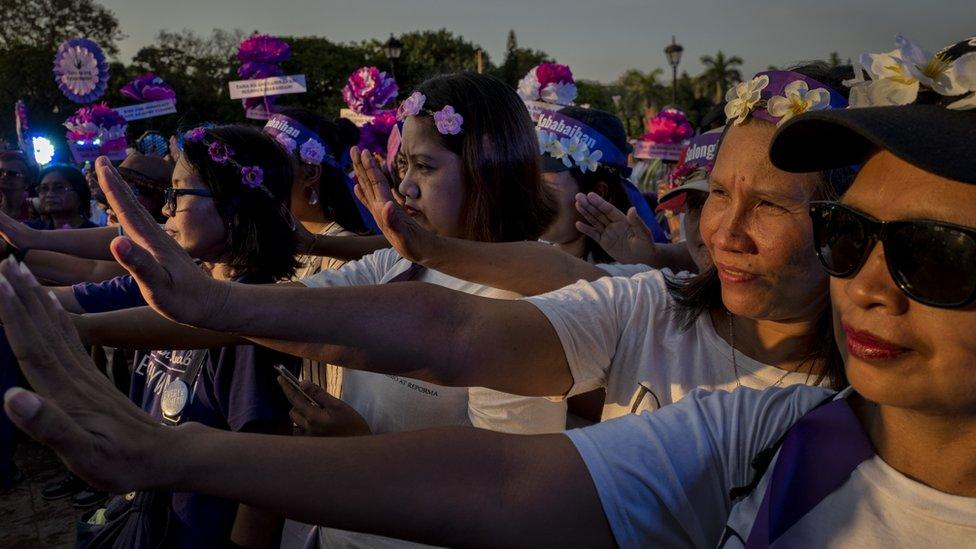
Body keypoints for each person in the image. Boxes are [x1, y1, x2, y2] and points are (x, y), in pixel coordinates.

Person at [3, 37, 975, 547]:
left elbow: (497, 452)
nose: (875, 282)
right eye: (854, 237)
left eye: (935, 255)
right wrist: (204, 337)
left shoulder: (704, 341)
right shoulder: (780, 419)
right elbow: (447, 342)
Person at [99, 64, 856, 423]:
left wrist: (356, 446)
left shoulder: (550, 295)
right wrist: (76, 322)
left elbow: (502, 471)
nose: (720, 230)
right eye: (715, 195)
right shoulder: (398, 260)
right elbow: (262, 309)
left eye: (423, 167)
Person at [59, 125, 302, 548]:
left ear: (233, 205)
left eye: (178, 194)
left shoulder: (255, 320)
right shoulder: (178, 288)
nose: (166, 211)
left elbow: (264, 480)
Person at [34, 165, 98, 230]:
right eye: (44, 188)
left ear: (79, 194)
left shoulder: (98, 235)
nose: (49, 194)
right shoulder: (34, 233)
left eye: (59, 188)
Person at [0, 151, 36, 222]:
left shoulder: (37, 208)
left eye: (12, 174)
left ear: (26, 182)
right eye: (0, 172)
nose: (3, 177)